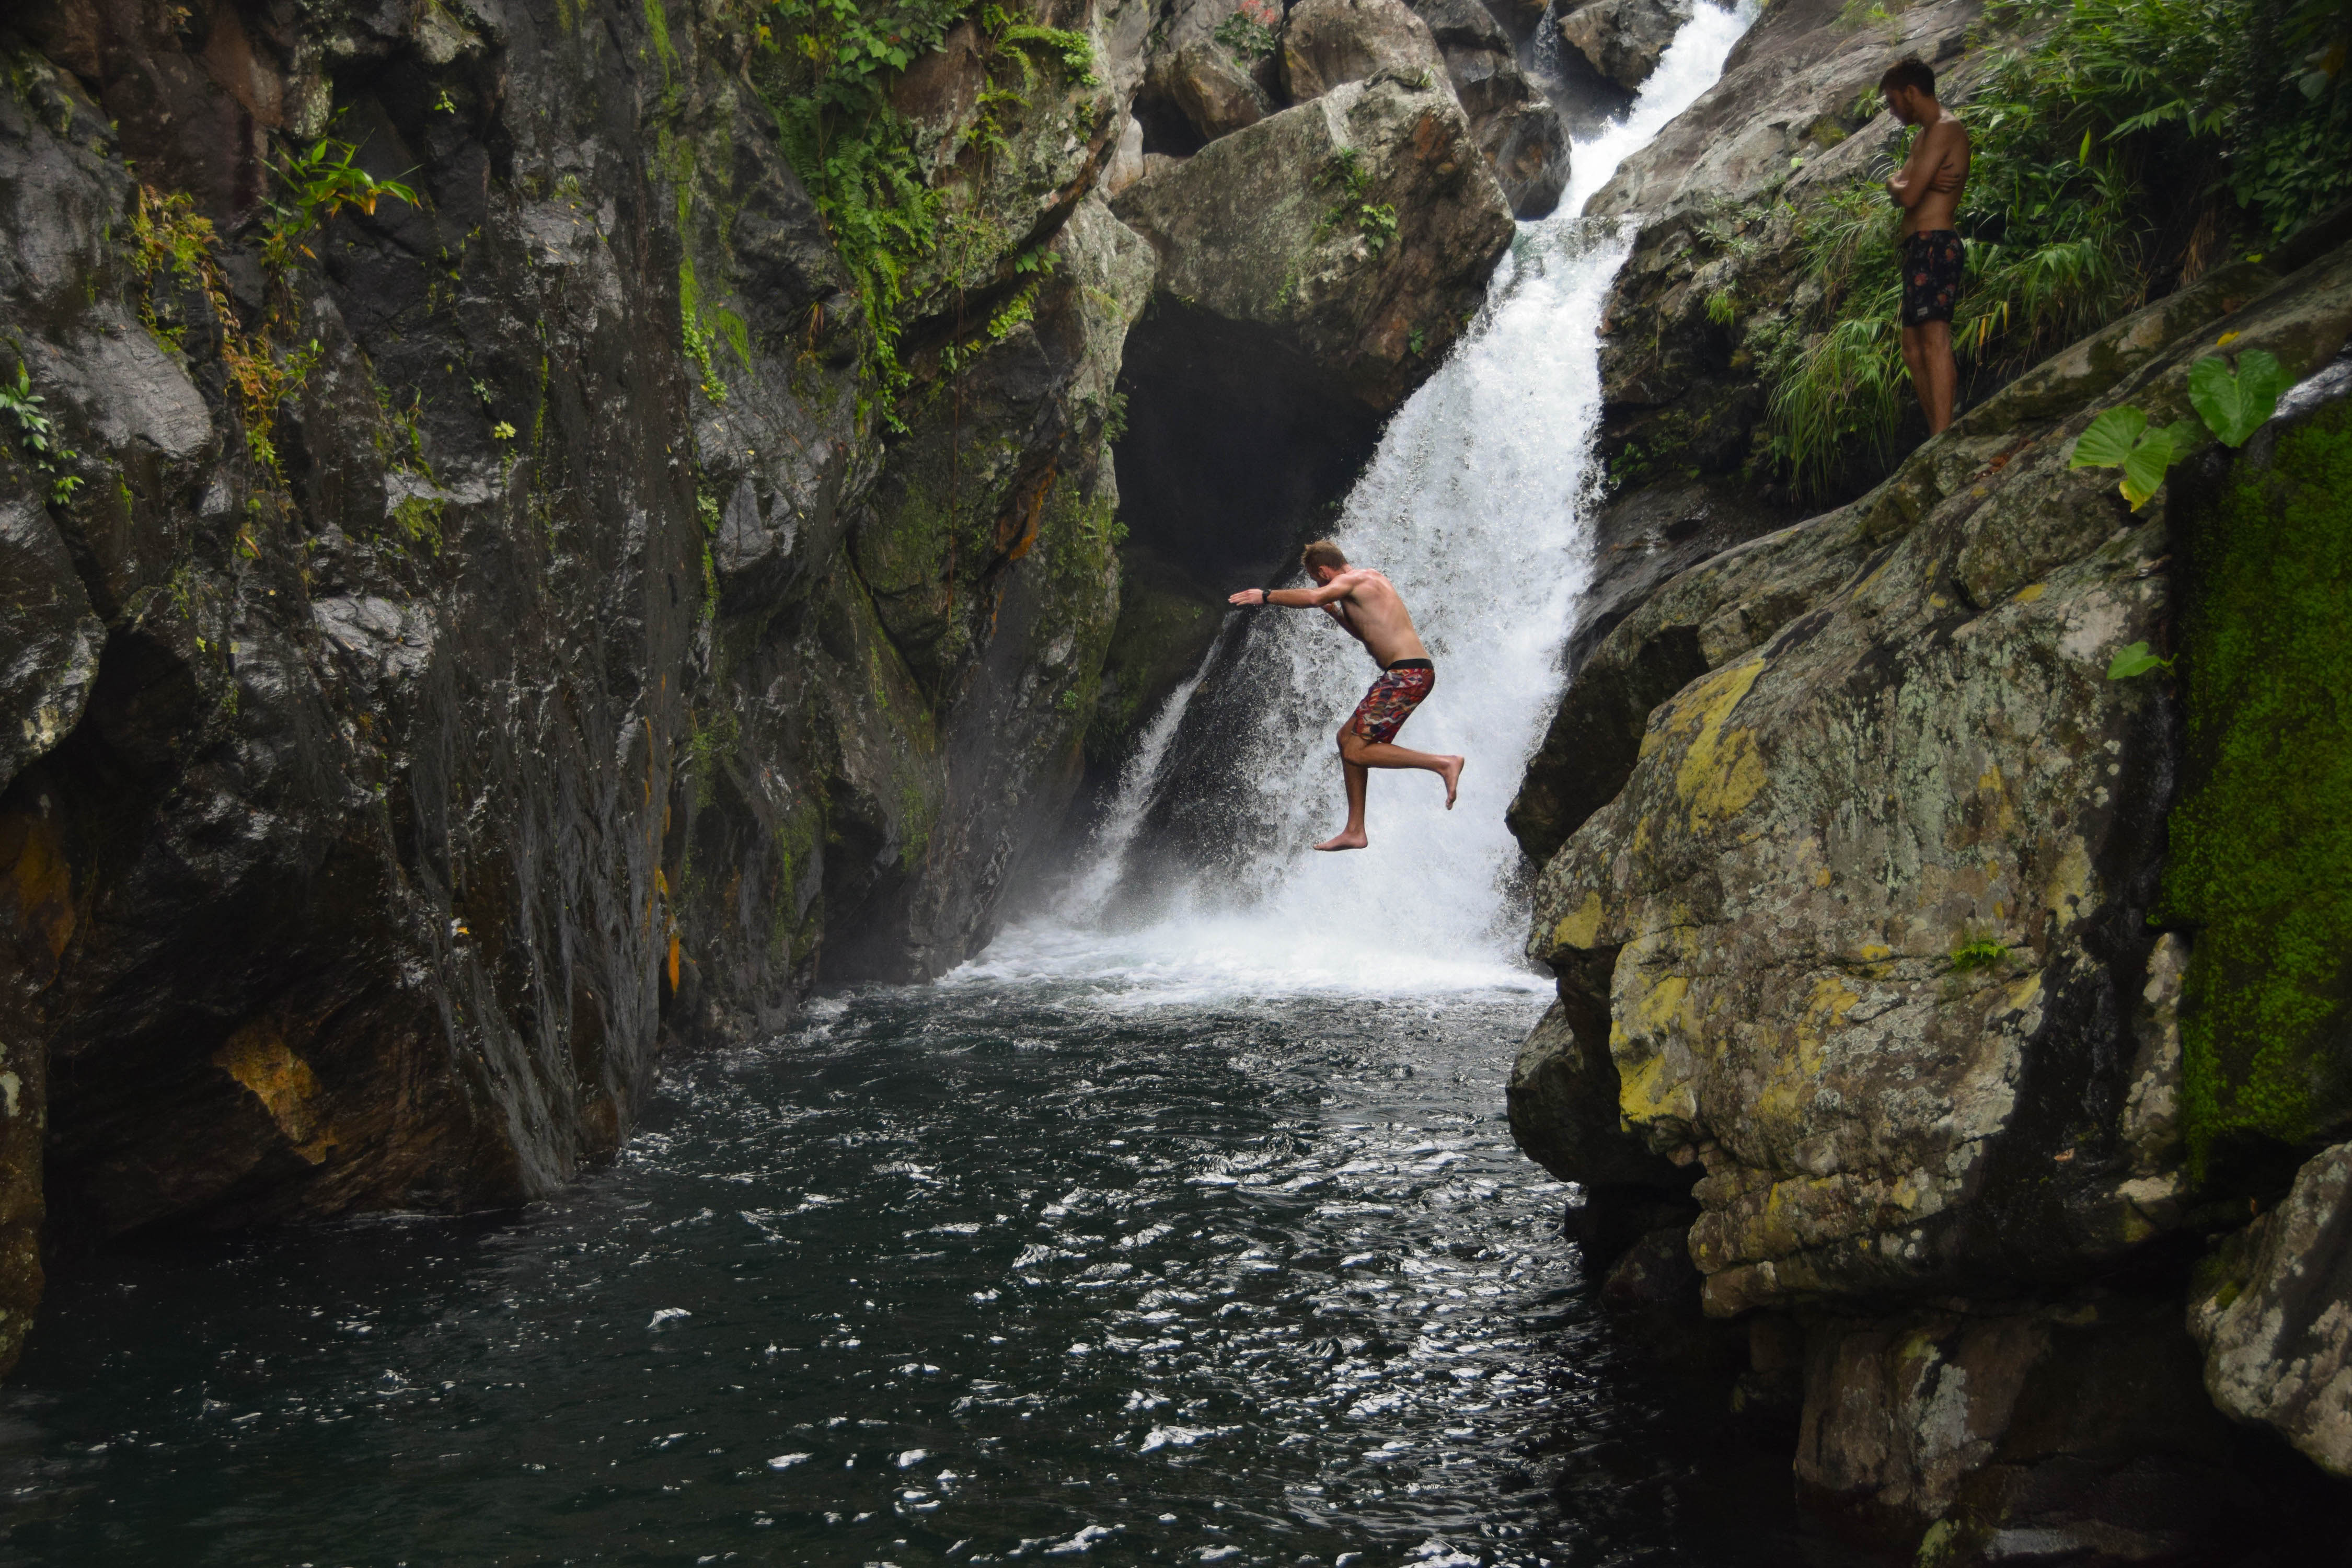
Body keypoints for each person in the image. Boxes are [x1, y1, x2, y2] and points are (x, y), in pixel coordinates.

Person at [1227, 541, 1463, 851]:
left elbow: (1313, 597)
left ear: (1323, 571)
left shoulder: (1350, 581)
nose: (1318, 584)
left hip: (1407, 675)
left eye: (1316, 577)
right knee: (1346, 739)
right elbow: (1367, 633)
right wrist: (1336, 614)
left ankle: (1443, 763)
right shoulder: (1370, 579)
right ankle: (1355, 830)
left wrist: (1266, 596)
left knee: (1356, 751)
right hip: (1406, 674)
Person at [1881, 54, 1971, 436]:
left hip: (1936, 244)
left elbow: (1909, 193)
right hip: (1919, 249)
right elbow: (1895, 184)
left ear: (1912, 92)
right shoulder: (1923, 137)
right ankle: (1938, 429)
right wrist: (1896, 185)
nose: (1892, 110)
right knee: (1912, 349)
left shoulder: (1945, 130)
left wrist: (1904, 187)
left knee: (1933, 341)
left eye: (1893, 101)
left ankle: (1943, 434)